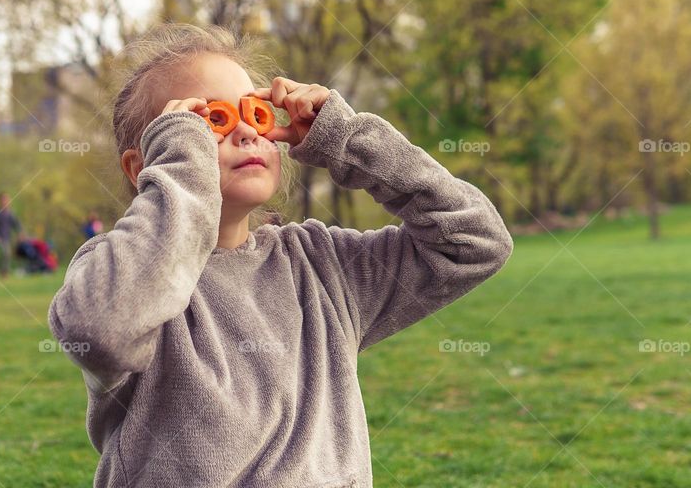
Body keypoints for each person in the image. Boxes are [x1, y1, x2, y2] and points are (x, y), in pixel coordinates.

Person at [47, 24, 513, 486]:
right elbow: (100, 331)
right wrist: (184, 162)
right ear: (148, 162)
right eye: (210, 120)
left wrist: (348, 139)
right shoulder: (125, 273)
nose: (245, 131)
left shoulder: (322, 266)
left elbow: (475, 241)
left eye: (254, 113)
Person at [0, 192, 22, 278]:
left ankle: (4, 271)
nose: (5, 201)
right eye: (3, 199)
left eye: (6, 199)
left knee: (7, 254)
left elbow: (17, 224)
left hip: (8, 237)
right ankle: (4, 272)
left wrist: (19, 233)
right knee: (5, 253)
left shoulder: (11, 213)